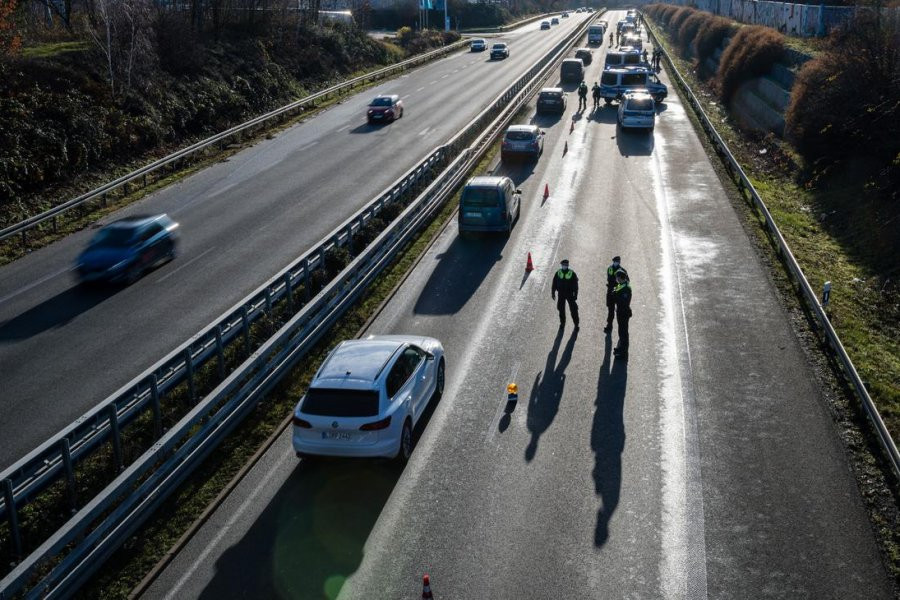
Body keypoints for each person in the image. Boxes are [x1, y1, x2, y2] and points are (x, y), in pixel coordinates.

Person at [552, 259, 579, 329]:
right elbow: (554, 283)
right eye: (563, 265)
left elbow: (576, 285)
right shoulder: (558, 272)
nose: (564, 266)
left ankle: (576, 324)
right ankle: (562, 323)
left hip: (569, 294)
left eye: (565, 265)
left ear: (568, 265)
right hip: (561, 294)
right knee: (561, 309)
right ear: (561, 265)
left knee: (573, 309)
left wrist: (575, 294)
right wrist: (553, 292)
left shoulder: (572, 273)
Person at [604, 256, 628, 333]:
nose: (617, 262)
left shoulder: (623, 271)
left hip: (619, 293)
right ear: (613, 261)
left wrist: (618, 288)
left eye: (618, 261)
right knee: (610, 310)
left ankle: (621, 330)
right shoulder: (609, 268)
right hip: (610, 292)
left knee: (620, 312)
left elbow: (626, 282)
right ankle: (609, 325)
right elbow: (608, 279)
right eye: (616, 261)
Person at [612, 269, 632, 358]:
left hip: (623, 312)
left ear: (620, 278)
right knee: (621, 331)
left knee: (624, 333)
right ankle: (620, 348)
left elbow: (623, 302)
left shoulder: (626, 288)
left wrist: (615, 295)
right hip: (620, 311)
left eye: (617, 278)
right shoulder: (621, 285)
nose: (616, 279)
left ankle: (624, 353)